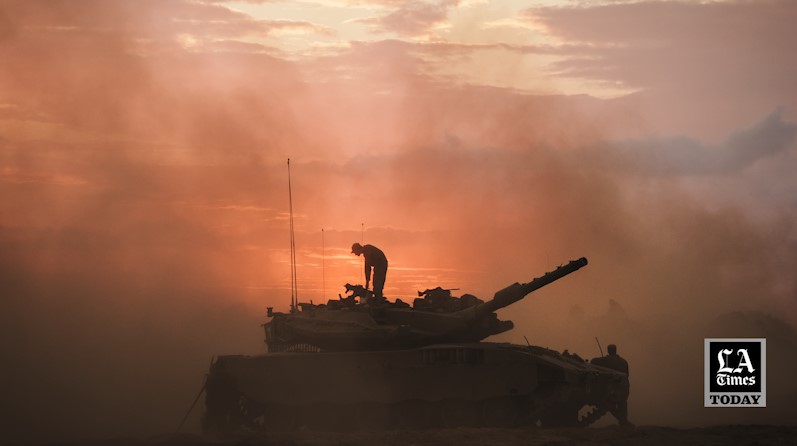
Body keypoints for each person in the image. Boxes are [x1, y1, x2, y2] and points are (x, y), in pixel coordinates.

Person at [591, 344, 632, 427]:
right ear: (615, 350)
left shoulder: (606, 360)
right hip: (624, 387)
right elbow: (627, 374)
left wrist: (604, 359)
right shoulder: (624, 361)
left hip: (613, 388)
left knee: (609, 405)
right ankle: (624, 421)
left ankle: (623, 421)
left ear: (608, 351)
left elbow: (593, 361)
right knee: (622, 404)